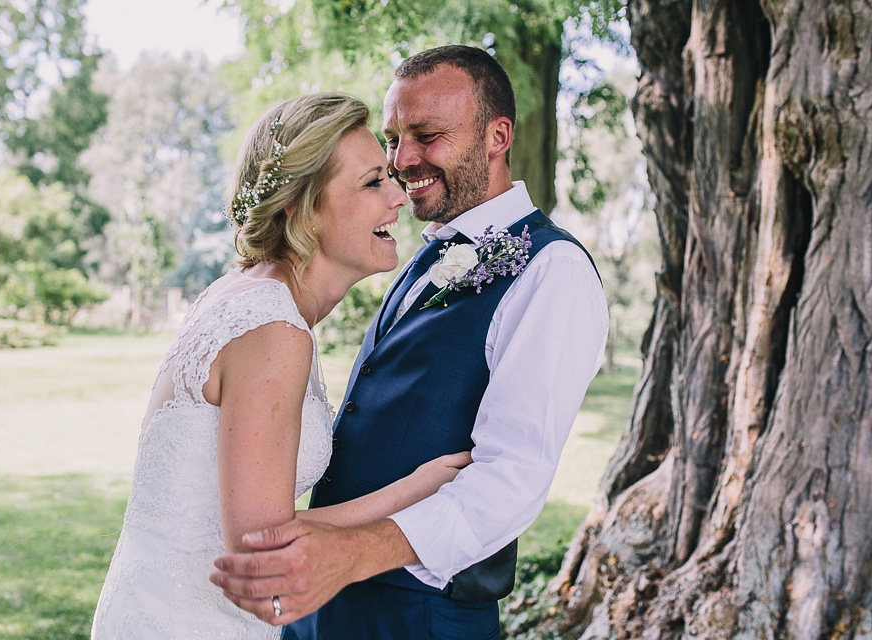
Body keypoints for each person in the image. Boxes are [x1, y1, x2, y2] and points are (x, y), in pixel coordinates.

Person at [209, 45, 609, 639]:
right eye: (395, 138)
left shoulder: (553, 270)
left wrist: (352, 554)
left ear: (497, 135)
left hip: (420, 613)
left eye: (427, 135)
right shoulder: (425, 252)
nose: (402, 160)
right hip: (320, 596)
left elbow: (511, 478)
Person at [90, 93, 473, 639]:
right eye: (372, 183)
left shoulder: (246, 295)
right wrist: (412, 491)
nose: (398, 196)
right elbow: (258, 542)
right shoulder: (273, 329)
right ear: (302, 205)